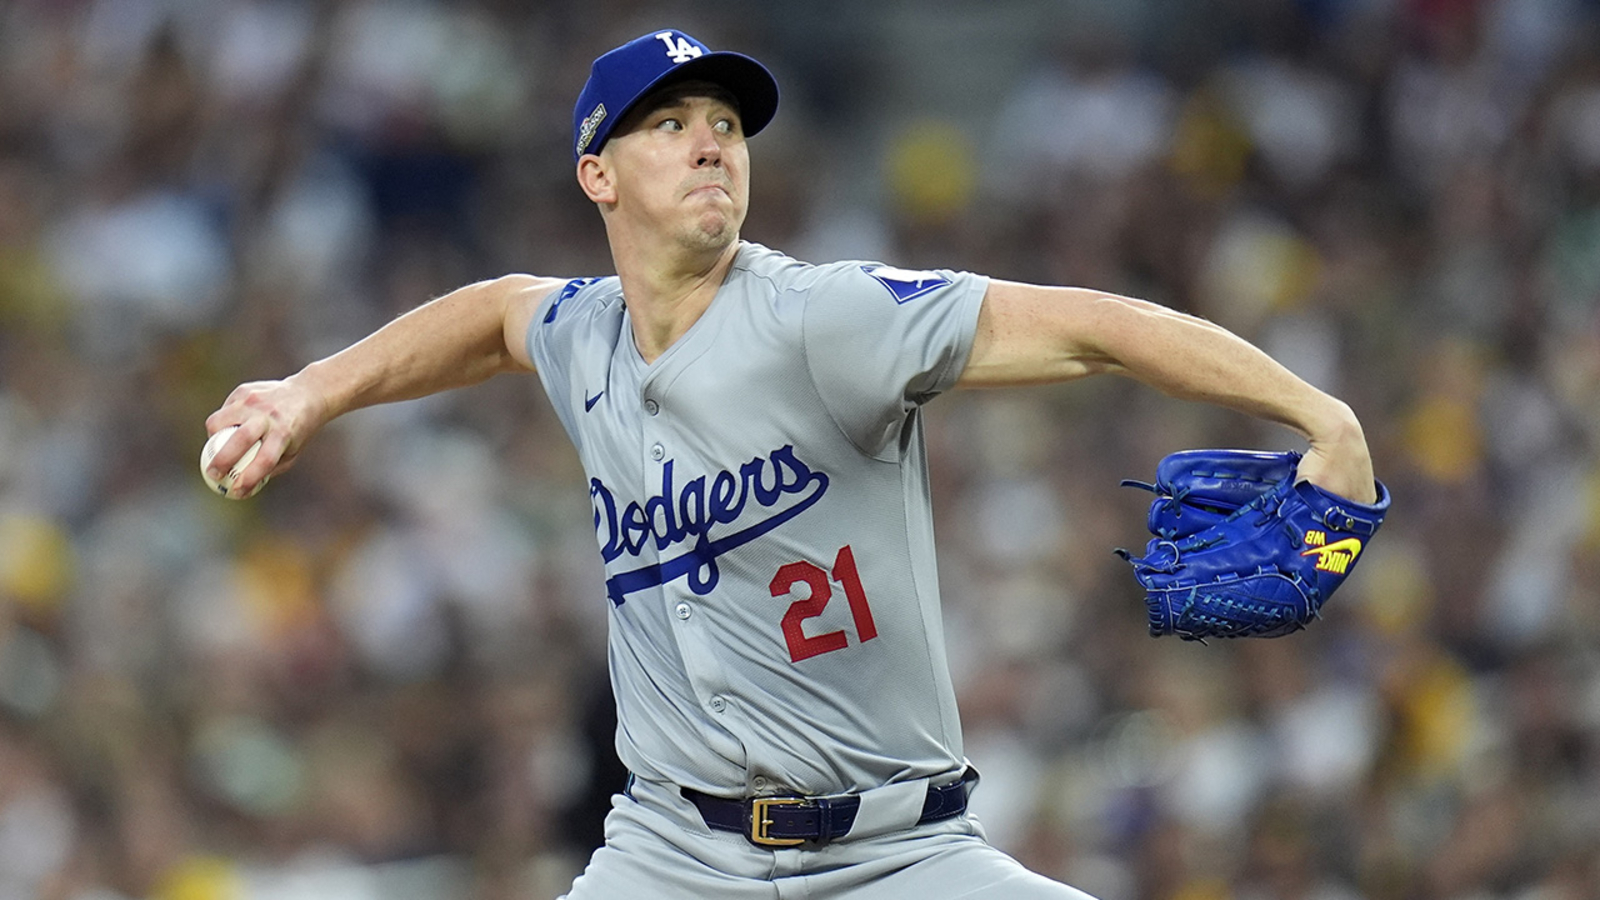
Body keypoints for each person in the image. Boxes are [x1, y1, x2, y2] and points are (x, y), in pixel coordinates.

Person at [204, 29, 1378, 899]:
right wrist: (314, 391)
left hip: (897, 853)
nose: (711, 142)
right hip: (670, 854)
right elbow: (497, 312)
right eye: (670, 125)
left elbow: (1088, 326)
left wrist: (1314, 412)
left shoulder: (827, 320)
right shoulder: (583, 338)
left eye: (725, 124)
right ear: (597, 175)